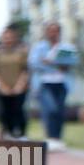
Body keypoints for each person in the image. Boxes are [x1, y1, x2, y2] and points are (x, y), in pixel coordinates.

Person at [29, 21, 78, 150]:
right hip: (44, 84)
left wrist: (49, 62)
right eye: (50, 30)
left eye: (55, 30)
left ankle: (58, 138)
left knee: (60, 111)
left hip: (62, 83)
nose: (53, 33)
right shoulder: (39, 48)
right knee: (50, 109)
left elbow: (70, 64)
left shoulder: (66, 48)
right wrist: (57, 64)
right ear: (46, 32)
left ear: (59, 32)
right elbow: (34, 64)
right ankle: (50, 137)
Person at [0, 24, 30, 139]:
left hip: (19, 88)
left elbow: (25, 70)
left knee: (18, 111)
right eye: (5, 37)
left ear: (15, 38)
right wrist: (3, 87)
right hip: (2, 89)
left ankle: (21, 135)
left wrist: (19, 86)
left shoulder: (22, 51)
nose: (8, 39)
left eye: (10, 37)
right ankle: (6, 134)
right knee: (4, 112)